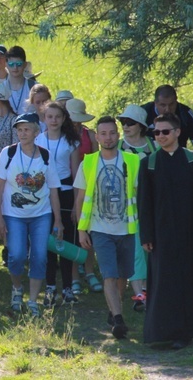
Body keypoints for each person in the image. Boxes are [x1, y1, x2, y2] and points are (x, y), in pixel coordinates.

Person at [138, 112, 193, 350]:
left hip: (192, 234)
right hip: (161, 236)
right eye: (156, 132)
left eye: (165, 131)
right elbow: (144, 203)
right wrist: (147, 235)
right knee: (162, 282)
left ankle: (185, 333)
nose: (160, 136)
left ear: (178, 132)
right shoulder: (148, 163)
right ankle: (159, 333)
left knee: (190, 282)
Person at [74, 116, 140, 339]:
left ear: (118, 134)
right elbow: (81, 198)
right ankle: (119, 320)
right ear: (97, 137)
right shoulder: (89, 162)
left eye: (112, 133)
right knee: (109, 275)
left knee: (123, 275)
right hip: (100, 229)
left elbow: (142, 195)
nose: (108, 137)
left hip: (127, 228)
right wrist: (82, 230)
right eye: (103, 133)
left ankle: (114, 311)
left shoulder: (133, 161)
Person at [0, 112, 63, 316]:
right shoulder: (8, 153)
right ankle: (17, 289)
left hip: (41, 214)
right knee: (16, 255)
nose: (22, 134)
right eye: (19, 130)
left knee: (40, 257)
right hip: (13, 214)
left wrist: (58, 220)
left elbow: (53, 189)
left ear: (36, 132)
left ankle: (33, 300)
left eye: (26, 129)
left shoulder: (45, 155)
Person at [35, 101, 81, 307]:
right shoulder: (38, 141)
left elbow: (76, 173)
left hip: (65, 192)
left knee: (66, 241)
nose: (53, 120)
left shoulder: (71, 142)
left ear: (64, 119)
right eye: (49, 116)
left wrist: (76, 204)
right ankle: (51, 287)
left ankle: (68, 288)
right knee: (48, 242)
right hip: (44, 193)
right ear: (44, 118)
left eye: (57, 117)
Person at [118, 104, 158, 311]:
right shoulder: (116, 147)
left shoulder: (154, 146)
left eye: (130, 122)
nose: (125, 126)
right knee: (135, 249)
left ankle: (152, 289)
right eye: (123, 122)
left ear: (141, 126)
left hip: (153, 205)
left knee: (152, 248)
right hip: (128, 208)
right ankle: (139, 295)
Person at [65, 97, 102, 295]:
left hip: (88, 187)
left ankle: (89, 271)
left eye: (79, 119)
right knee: (73, 232)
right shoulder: (62, 136)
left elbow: (96, 160)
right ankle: (74, 276)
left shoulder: (91, 136)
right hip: (68, 187)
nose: (76, 123)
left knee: (89, 230)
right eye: (73, 119)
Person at [142, 84, 193, 164]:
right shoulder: (143, 113)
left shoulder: (186, 114)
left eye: (171, 104)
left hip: (179, 162)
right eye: (163, 105)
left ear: (176, 100)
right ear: (155, 103)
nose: (167, 109)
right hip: (149, 162)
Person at [4, 46, 37, 115]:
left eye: (19, 64)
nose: (15, 68)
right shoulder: (0, 89)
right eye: (11, 64)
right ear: (6, 64)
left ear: (25, 64)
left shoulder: (34, 88)